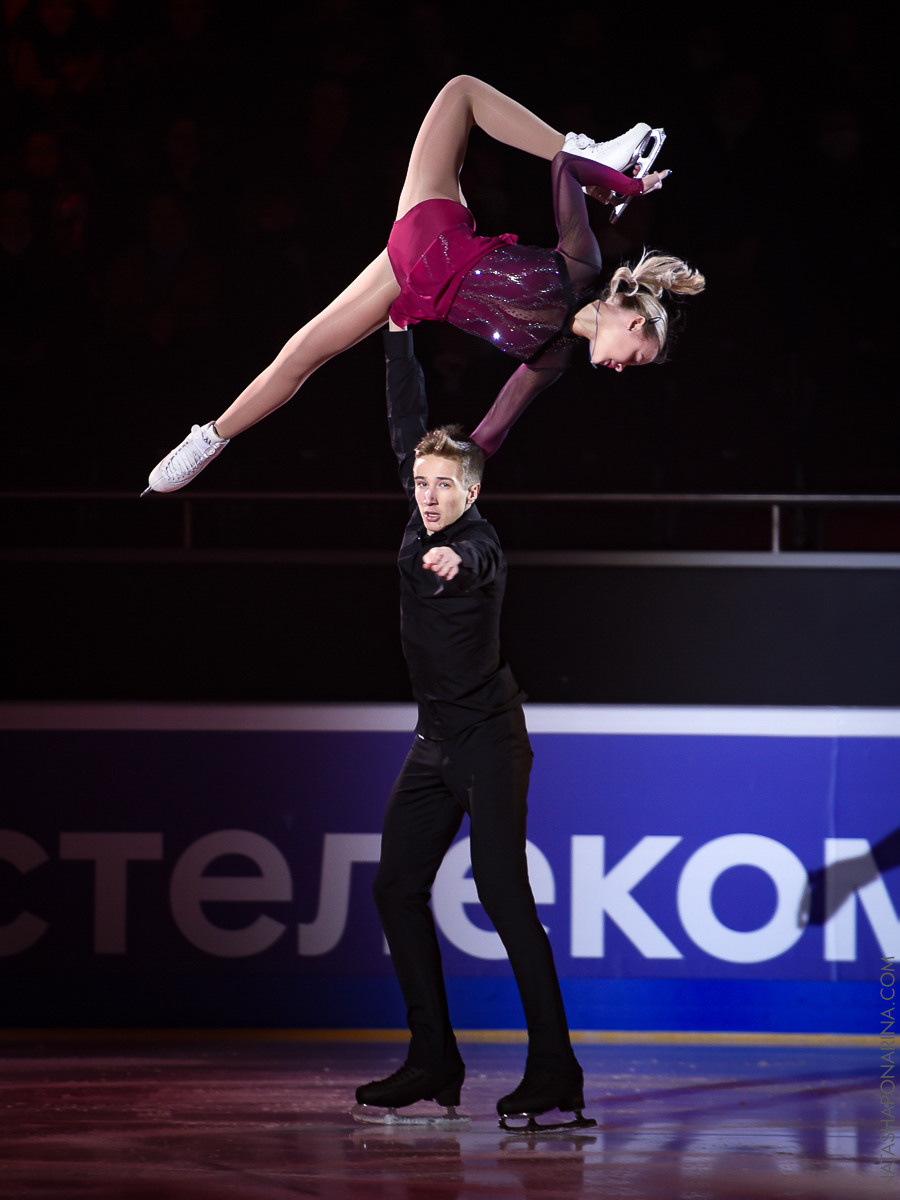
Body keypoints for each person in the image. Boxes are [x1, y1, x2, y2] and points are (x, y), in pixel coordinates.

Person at [144, 75, 704, 492]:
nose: (621, 369)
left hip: (410, 284)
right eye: (635, 357)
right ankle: (596, 144)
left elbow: (490, 433)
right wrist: (617, 187)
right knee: (461, 92)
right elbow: (564, 169)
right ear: (633, 320)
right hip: (434, 228)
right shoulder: (582, 263)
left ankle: (209, 438)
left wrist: (450, 485)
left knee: (301, 355)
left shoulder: (552, 357)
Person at [353, 324, 594, 1132]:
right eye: (421, 482)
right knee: (395, 887)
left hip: (490, 745)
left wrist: (460, 560)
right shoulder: (418, 512)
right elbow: (403, 417)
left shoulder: (478, 542)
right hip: (432, 748)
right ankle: (434, 1060)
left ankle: (556, 1070)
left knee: (503, 896)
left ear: (471, 493)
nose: (426, 495)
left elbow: (483, 561)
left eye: (442, 485)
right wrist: (396, 337)